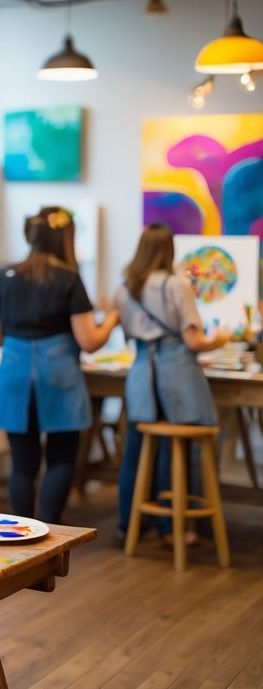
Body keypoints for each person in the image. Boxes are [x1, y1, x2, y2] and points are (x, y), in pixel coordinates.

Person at [0, 206, 118, 525]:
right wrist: (113, 318)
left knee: (23, 465)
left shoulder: (5, 275)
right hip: (58, 372)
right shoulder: (69, 279)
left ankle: (21, 534)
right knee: (60, 460)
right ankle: (51, 534)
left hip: (15, 373)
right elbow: (88, 341)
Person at [113, 223, 228, 544]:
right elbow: (193, 341)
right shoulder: (176, 284)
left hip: (140, 373)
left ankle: (128, 523)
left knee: (135, 449)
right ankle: (172, 527)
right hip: (176, 373)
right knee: (175, 448)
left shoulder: (124, 286)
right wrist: (220, 340)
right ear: (169, 249)